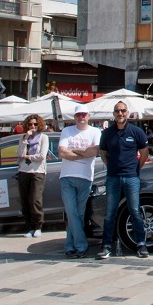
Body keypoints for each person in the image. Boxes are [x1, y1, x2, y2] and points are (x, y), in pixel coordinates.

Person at [98, 100, 150, 259]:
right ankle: (106, 246)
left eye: (123, 110)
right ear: (114, 114)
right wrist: (110, 166)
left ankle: (141, 244)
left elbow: (144, 153)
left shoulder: (136, 131)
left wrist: (136, 168)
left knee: (135, 211)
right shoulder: (107, 133)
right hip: (113, 177)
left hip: (131, 177)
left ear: (127, 113)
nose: (120, 113)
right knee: (110, 213)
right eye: (117, 111)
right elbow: (103, 153)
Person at [59, 104, 101, 258]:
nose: (81, 117)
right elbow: (62, 152)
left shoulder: (95, 131)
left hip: (85, 177)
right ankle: (81, 245)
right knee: (71, 212)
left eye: (84, 114)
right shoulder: (66, 131)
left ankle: (70, 246)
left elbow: (94, 151)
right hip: (67, 177)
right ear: (74, 117)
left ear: (88, 116)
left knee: (78, 214)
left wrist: (72, 151)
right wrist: (84, 152)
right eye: (78, 115)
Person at [17, 114, 49, 239]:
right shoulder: (23, 138)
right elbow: (20, 153)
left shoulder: (43, 137)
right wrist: (26, 138)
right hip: (24, 171)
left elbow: (42, 156)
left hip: (38, 172)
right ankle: (29, 227)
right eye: (30, 124)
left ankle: (38, 226)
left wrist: (28, 157)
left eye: (35, 124)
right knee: (25, 201)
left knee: (35, 200)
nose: (33, 126)